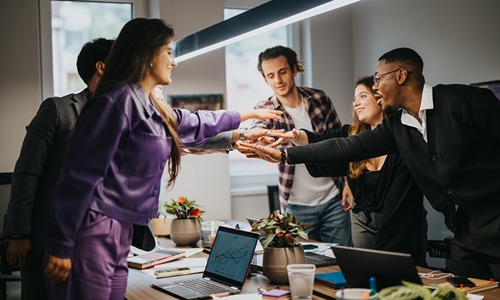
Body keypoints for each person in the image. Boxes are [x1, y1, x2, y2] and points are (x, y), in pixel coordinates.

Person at [42, 18, 280, 300]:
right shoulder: (115, 102)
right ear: (146, 53)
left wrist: (247, 116)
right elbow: (78, 177)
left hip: (122, 231)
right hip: (92, 229)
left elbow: (193, 122)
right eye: (168, 51)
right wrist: (61, 244)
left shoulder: (147, 104)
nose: (174, 61)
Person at [245, 47, 500, 280]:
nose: (376, 87)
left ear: (401, 76)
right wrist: (286, 155)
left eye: (378, 79)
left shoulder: (464, 101)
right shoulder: (399, 126)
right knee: (461, 290)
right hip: (466, 231)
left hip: (495, 220)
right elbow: (347, 146)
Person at [0, 38, 114, 300]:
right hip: (49, 242)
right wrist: (18, 233)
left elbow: (172, 129)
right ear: (102, 67)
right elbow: (27, 172)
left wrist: (226, 137)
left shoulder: (127, 113)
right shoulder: (58, 110)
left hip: (99, 246)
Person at [273, 76, 427, 265]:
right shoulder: (351, 134)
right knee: (364, 273)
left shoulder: (403, 136)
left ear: (380, 98)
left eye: (363, 96)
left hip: (401, 223)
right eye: (354, 99)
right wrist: (296, 137)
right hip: (362, 219)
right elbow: (321, 142)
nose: (356, 103)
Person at [242, 45, 351, 245]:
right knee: (305, 266)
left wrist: (347, 183)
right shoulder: (265, 109)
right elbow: (256, 129)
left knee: (342, 262)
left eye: (282, 72)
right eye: (271, 75)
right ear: (265, 79)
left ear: (294, 69)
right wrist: (260, 140)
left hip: (334, 198)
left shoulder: (319, 99)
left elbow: (341, 144)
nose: (278, 80)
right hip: (297, 206)